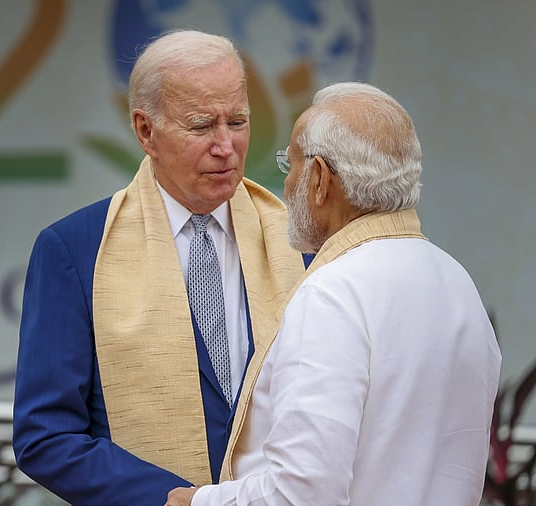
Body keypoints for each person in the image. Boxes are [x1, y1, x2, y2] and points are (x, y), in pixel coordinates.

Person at [166, 81, 502, 506]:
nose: (287, 187)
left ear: (321, 180)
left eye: (290, 166)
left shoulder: (332, 292)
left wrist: (198, 501)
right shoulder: (457, 283)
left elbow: (302, 493)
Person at [12, 30, 309, 505]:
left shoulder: (301, 243)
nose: (225, 146)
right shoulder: (74, 249)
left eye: (237, 121)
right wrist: (169, 498)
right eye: (201, 126)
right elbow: (46, 436)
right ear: (145, 131)